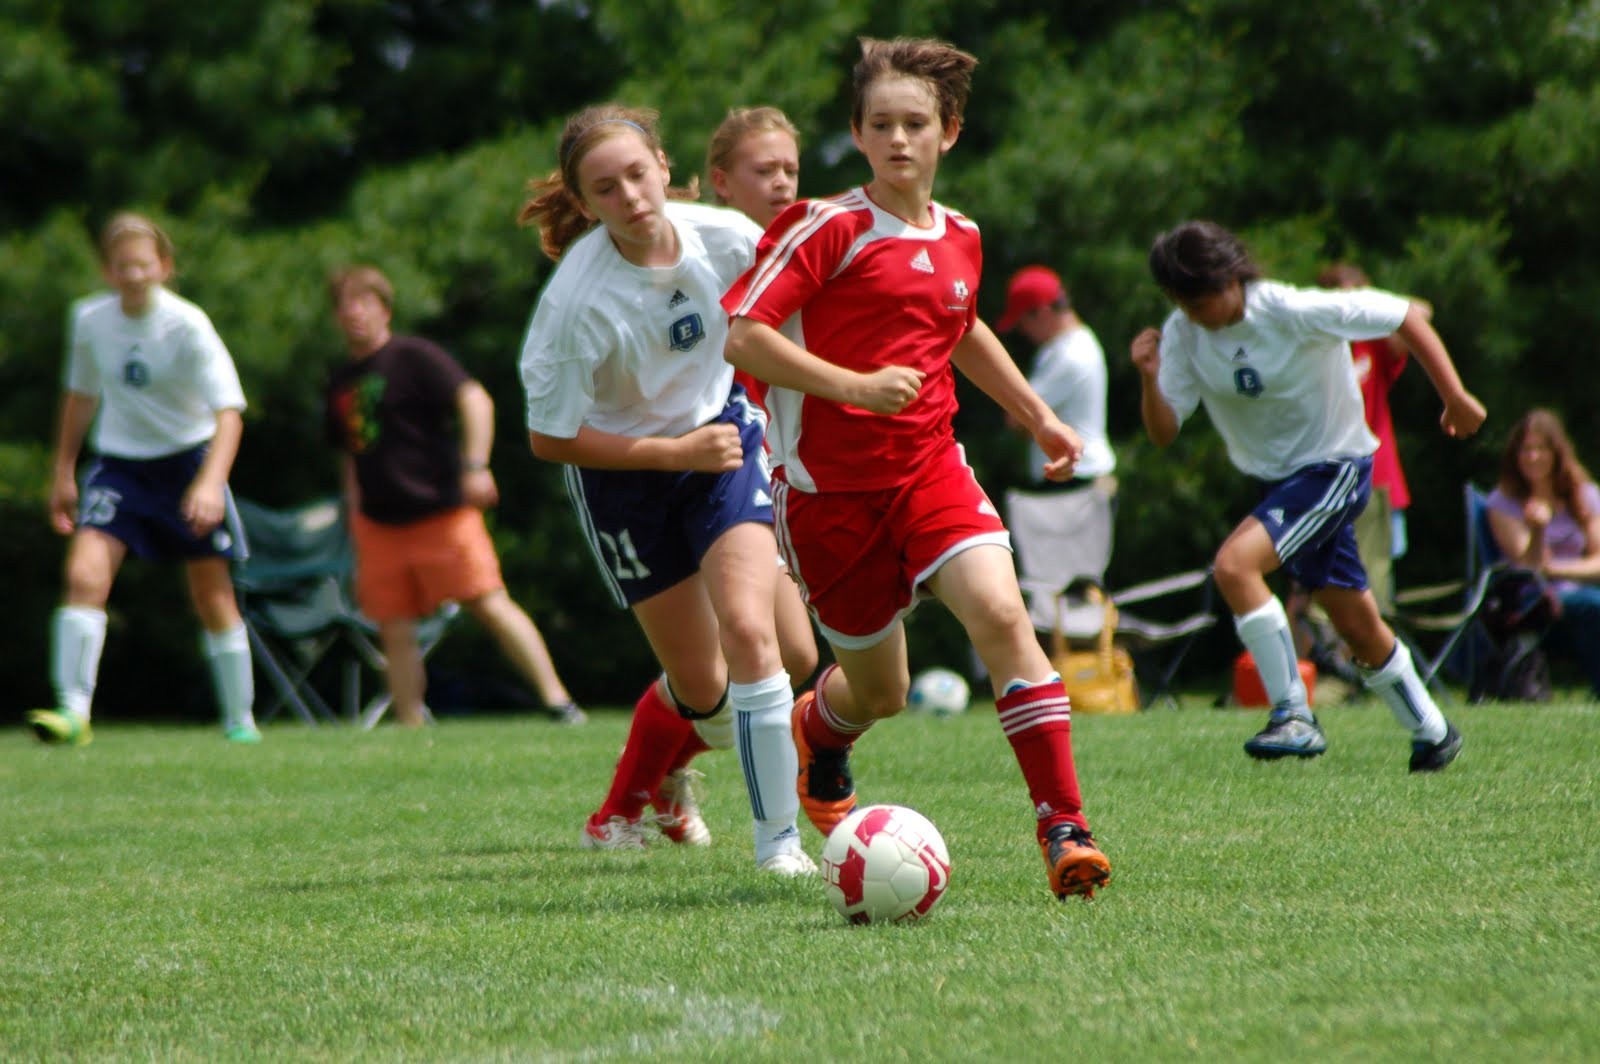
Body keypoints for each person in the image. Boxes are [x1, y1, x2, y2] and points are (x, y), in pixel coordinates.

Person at [723, 37, 1113, 902]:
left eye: (917, 124)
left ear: (950, 134)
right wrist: (855, 386)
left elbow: (962, 325)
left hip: (931, 468)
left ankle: (1064, 827)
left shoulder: (963, 235)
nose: (900, 139)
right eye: (882, 125)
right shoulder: (828, 228)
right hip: (829, 499)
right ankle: (822, 734)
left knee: (1004, 615)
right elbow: (744, 336)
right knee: (882, 691)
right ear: (858, 137)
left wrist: (1038, 416)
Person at [516, 104, 812, 875]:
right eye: (606, 189)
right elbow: (548, 437)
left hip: (720, 447)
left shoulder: (727, 237)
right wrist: (669, 450)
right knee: (707, 693)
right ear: (584, 204)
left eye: (639, 176)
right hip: (626, 482)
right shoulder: (575, 304)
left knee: (772, 642)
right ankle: (644, 794)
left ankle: (780, 843)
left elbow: (798, 305)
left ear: (665, 167)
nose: (632, 198)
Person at [1130, 220, 1485, 771]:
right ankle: (1434, 732)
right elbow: (1163, 430)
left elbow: (1404, 315)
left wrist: (1455, 396)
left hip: (1334, 465)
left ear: (1231, 278)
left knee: (1233, 566)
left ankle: (1293, 713)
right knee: (1355, 622)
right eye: (1181, 300)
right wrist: (1151, 377)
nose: (1194, 312)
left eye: (1202, 298)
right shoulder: (1183, 333)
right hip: (1279, 482)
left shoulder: (1289, 308)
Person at [28, 212, 261, 745]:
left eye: (143, 264)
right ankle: (73, 712)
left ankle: (239, 721)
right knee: (85, 576)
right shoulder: (88, 320)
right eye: (121, 266)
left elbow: (229, 412)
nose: (133, 275)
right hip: (119, 467)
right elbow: (80, 396)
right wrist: (62, 471)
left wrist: (208, 484)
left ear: (164, 267)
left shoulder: (187, 325)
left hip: (187, 463)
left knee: (211, 595)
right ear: (107, 272)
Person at [324, 265, 584, 729]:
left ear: (384, 310)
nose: (354, 314)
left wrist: (476, 465)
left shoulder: (413, 356)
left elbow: (475, 400)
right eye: (345, 306)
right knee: (394, 626)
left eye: (364, 303)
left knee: (488, 602)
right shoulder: (341, 380)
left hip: (440, 512)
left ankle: (558, 702)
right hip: (380, 522)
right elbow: (350, 454)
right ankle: (410, 726)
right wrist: (354, 513)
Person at [1485, 408, 1600, 696]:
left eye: (1540, 448)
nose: (1533, 456)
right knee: (1593, 605)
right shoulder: (1502, 502)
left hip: (1578, 596)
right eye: (1526, 449)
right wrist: (1537, 530)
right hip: (1530, 604)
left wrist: (1555, 568)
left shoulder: (1585, 496)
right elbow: (1530, 569)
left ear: (1557, 453)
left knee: (1590, 603)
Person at [995, 265, 1116, 494]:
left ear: (1040, 312)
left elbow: (1017, 418)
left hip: (1078, 481)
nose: (1023, 331)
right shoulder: (1066, 346)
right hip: (1075, 478)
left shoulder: (1070, 353)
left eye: (1022, 322)